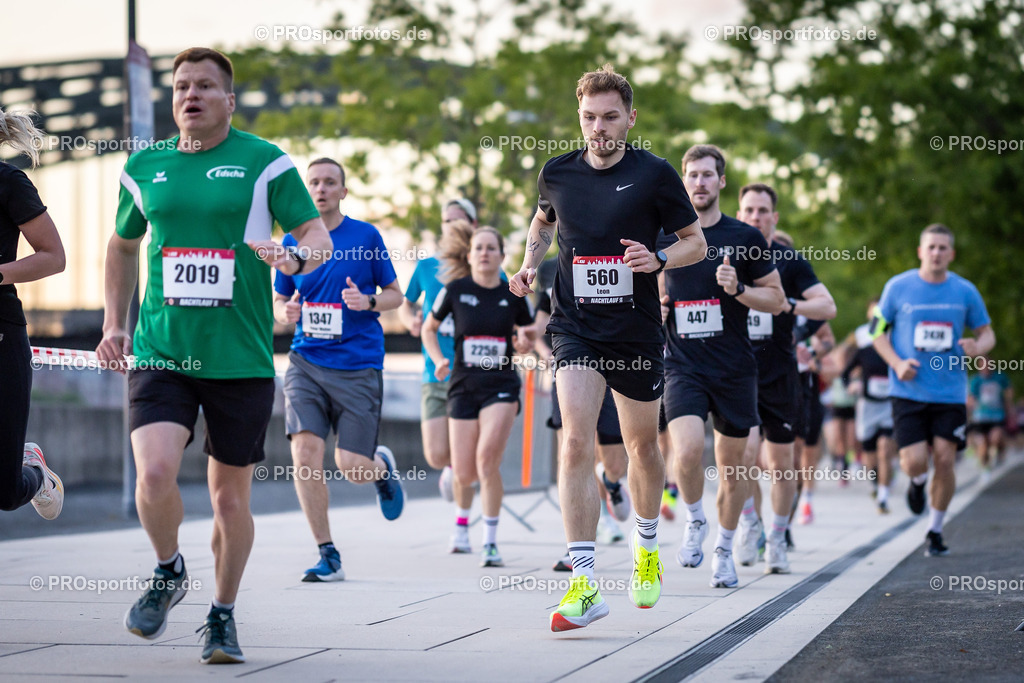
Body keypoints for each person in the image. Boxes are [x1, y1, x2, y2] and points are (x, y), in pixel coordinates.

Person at [96, 48, 333, 664]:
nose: (190, 95)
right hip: (161, 352)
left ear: (230, 100)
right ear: (170, 99)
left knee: (230, 500)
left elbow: (317, 237)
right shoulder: (145, 166)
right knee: (153, 473)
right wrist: (113, 325)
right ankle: (169, 569)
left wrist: (295, 258)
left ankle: (223, 615)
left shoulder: (265, 163)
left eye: (205, 86)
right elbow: (122, 249)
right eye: (180, 87)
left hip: (240, 359)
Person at [509, 64, 706, 631]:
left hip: (636, 331)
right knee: (576, 440)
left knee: (643, 447)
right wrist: (528, 265)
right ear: (580, 117)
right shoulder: (557, 173)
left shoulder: (656, 175)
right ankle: (585, 584)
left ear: (630, 119)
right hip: (574, 327)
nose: (599, 128)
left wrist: (660, 259)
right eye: (590, 117)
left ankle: (646, 550)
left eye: (610, 117)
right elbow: (542, 224)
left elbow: (695, 242)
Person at [272, 158, 405, 583]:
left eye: (330, 182)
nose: (321, 188)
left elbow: (395, 296)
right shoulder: (292, 239)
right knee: (305, 454)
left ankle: (380, 468)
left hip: (358, 365)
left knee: (352, 466)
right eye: (314, 182)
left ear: (343, 191)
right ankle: (327, 553)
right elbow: (279, 303)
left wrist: (367, 303)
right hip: (305, 362)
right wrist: (286, 310)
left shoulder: (365, 236)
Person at [661, 144, 784, 589]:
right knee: (688, 450)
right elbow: (651, 288)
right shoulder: (665, 238)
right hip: (682, 366)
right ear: (683, 181)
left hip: (734, 369)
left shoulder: (745, 238)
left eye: (707, 175)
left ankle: (724, 549)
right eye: (692, 175)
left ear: (721, 182)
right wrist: (655, 305)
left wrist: (739, 292)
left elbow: (778, 301)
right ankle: (696, 520)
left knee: (736, 470)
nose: (699, 182)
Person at [872, 223, 994, 556]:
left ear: (951, 254)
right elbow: (876, 332)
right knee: (914, 462)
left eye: (943, 248)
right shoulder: (898, 288)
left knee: (944, 459)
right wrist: (897, 363)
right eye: (931, 247)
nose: (937, 253)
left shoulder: (965, 291)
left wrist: (978, 347)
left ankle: (935, 531)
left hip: (950, 392)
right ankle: (916, 483)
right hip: (908, 390)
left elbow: (988, 334)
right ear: (920, 251)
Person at [733, 183, 836, 575]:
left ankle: (777, 537)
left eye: (763, 210)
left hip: (779, 374)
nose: (755, 217)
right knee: (742, 459)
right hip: (738, 374)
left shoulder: (790, 261)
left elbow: (828, 306)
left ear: (775, 217)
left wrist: (788, 304)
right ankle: (749, 523)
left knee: (780, 464)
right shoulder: (725, 254)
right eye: (749, 210)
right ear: (739, 214)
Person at [423, 227, 535, 567]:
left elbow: (528, 333)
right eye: (478, 248)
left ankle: (490, 541)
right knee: (463, 471)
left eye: (491, 248)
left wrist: (524, 343)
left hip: (501, 385)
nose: (485, 253)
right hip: (462, 385)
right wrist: (439, 359)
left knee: (487, 460)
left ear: (502, 256)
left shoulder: (514, 293)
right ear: (469, 256)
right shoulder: (454, 290)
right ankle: (460, 526)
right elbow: (428, 327)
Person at [0, 108, 66, 520]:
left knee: (5, 492)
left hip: (2, 338)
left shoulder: (8, 182)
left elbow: (54, 257)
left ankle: (36, 474)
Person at [399, 199, 479, 508]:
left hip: (473, 375)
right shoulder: (426, 266)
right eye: (446, 220)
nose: (451, 226)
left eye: (458, 220)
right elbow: (406, 303)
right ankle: (450, 469)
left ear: (472, 226)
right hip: (435, 371)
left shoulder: (484, 266)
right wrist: (411, 320)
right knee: (436, 455)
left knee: (465, 453)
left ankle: (463, 519)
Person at [843, 308, 897, 513]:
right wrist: (851, 385)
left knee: (885, 448)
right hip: (867, 406)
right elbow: (845, 373)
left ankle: (883, 495)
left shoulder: (896, 351)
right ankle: (876, 484)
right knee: (870, 458)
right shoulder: (864, 352)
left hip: (888, 406)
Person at [967, 357, 1014, 477]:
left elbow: (1008, 390)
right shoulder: (976, 380)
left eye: (988, 365)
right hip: (980, 418)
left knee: (995, 438)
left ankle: (1000, 450)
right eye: (983, 365)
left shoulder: (999, 377)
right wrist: (971, 407)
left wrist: (1008, 405)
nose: (986, 368)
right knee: (983, 444)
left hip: (997, 416)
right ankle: (985, 467)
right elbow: (971, 398)